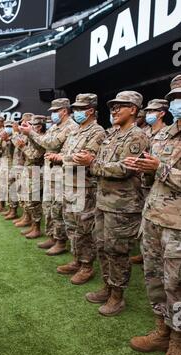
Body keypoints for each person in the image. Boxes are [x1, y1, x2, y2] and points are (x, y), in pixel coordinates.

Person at [124, 75, 181, 355]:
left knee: (178, 287)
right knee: (154, 278)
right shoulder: (164, 135)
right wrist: (143, 168)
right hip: (155, 218)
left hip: (178, 226)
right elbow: (155, 176)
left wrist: (160, 168)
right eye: (173, 98)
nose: (176, 103)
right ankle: (162, 329)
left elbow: (167, 172)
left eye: (179, 97)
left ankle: (178, 343)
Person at [75, 91, 148, 316]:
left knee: (117, 252)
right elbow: (105, 164)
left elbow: (124, 169)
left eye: (120, 106)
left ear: (133, 109)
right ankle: (107, 286)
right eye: (113, 106)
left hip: (123, 206)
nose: (114, 110)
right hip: (104, 201)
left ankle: (117, 296)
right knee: (102, 247)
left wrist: (92, 163)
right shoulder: (112, 135)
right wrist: (91, 162)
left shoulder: (137, 136)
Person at [49, 94, 105, 285]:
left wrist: (61, 158)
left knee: (84, 227)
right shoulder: (76, 131)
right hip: (69, 183)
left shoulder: (96, 131)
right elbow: (69, 153)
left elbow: (84, 158)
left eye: (81, 109)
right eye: (76, 108)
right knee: (71, 225)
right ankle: (76, 259)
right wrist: (64, 156)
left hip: (83, 185)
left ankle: (87, 266)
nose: (76, 112)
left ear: (90, 110)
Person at [21, 99, 78, 256]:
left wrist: (30, 133)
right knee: (49, 207)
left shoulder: (71, 127)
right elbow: (44, 144)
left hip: (61, 174)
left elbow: (51, 143)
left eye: (55, 111)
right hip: (50, 172)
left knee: (58, 208)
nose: (52, 114)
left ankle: (60, 241)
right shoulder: (55, 126)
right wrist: (31, 134)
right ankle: (53, 236)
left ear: (64, 111)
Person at [130, 98, 169, 265]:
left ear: (162, 113)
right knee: (142, 220)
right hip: (142, 183)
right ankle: (143, 251)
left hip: (160, 185)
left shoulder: (167, 134)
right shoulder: (144, 133)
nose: (148, 114)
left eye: (152, 111)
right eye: (147, 111)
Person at [17, 115, 46, 239]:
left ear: (39, 127)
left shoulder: (42, 139)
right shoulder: (32, 137)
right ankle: (32, 225)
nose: (29, 128)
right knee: (29, 200)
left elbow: (34, 156)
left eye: (33, 125)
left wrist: (23, 147)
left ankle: (36, 228)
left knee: (34, 201)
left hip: (36, 172)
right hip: (28, 171)